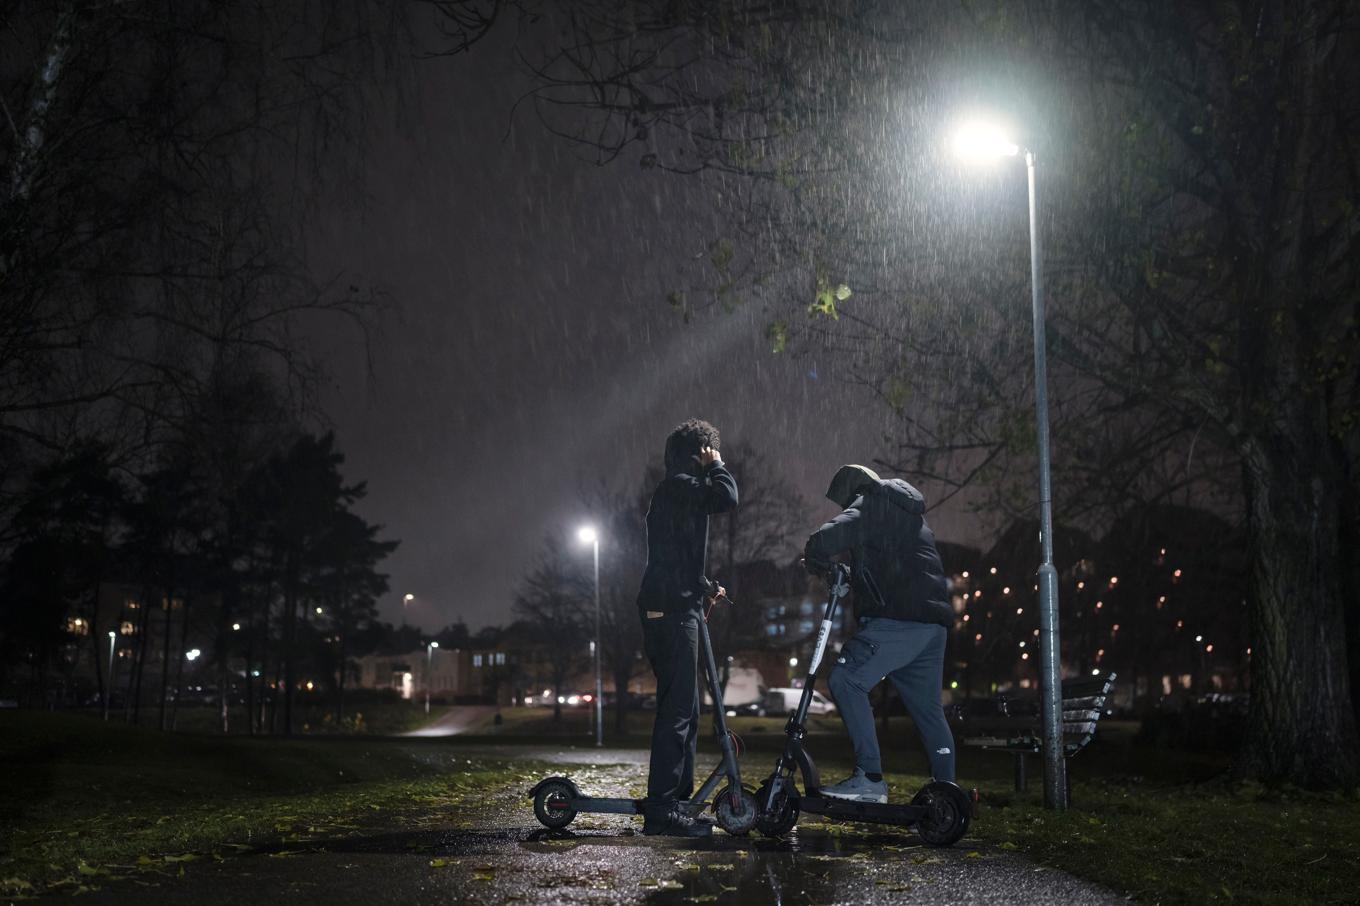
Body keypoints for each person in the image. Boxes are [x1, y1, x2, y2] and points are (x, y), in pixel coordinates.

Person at [804, 464, 956, 804]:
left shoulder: (872, 501)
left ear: (854, 492)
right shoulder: (910, 516)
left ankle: (870, 779)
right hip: (931, 626)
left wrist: (815, 556)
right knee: (929, 711)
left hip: (899, 620)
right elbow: (890, 570)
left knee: (845, 679)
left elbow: (829, 537)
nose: (847, 509)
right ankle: (948, 794)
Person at [636, 418, 738, 837]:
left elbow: (675, 556)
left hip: (678, 605)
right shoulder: (680, 485)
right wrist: (718, 466)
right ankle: (662, 809)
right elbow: (727, 496)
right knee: (678, 711)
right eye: (709, 453)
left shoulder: (677, 493)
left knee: (688, 711)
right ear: (701, 452)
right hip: (671, 612)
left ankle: (678, 800)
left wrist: (704, 586)